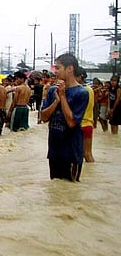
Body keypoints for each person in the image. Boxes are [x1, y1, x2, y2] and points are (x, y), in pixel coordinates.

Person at [40, 53, 89, 182]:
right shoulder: (52, 91)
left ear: (70, 69)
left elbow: (72, 122)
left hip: (72, 152)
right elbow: (43, 117)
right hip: (54, 151)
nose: (55, 71)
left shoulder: (81, 93)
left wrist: (62, 97)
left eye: (58, 68)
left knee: (71, 190)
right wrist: (56, 101)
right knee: (56, 190)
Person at [76, 67, 95, 162]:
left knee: (79, 154)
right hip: (88, 124)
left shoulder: (80, 91)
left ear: (79, 77)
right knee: (88, 154)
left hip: (80, 125)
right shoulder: (90, 89)